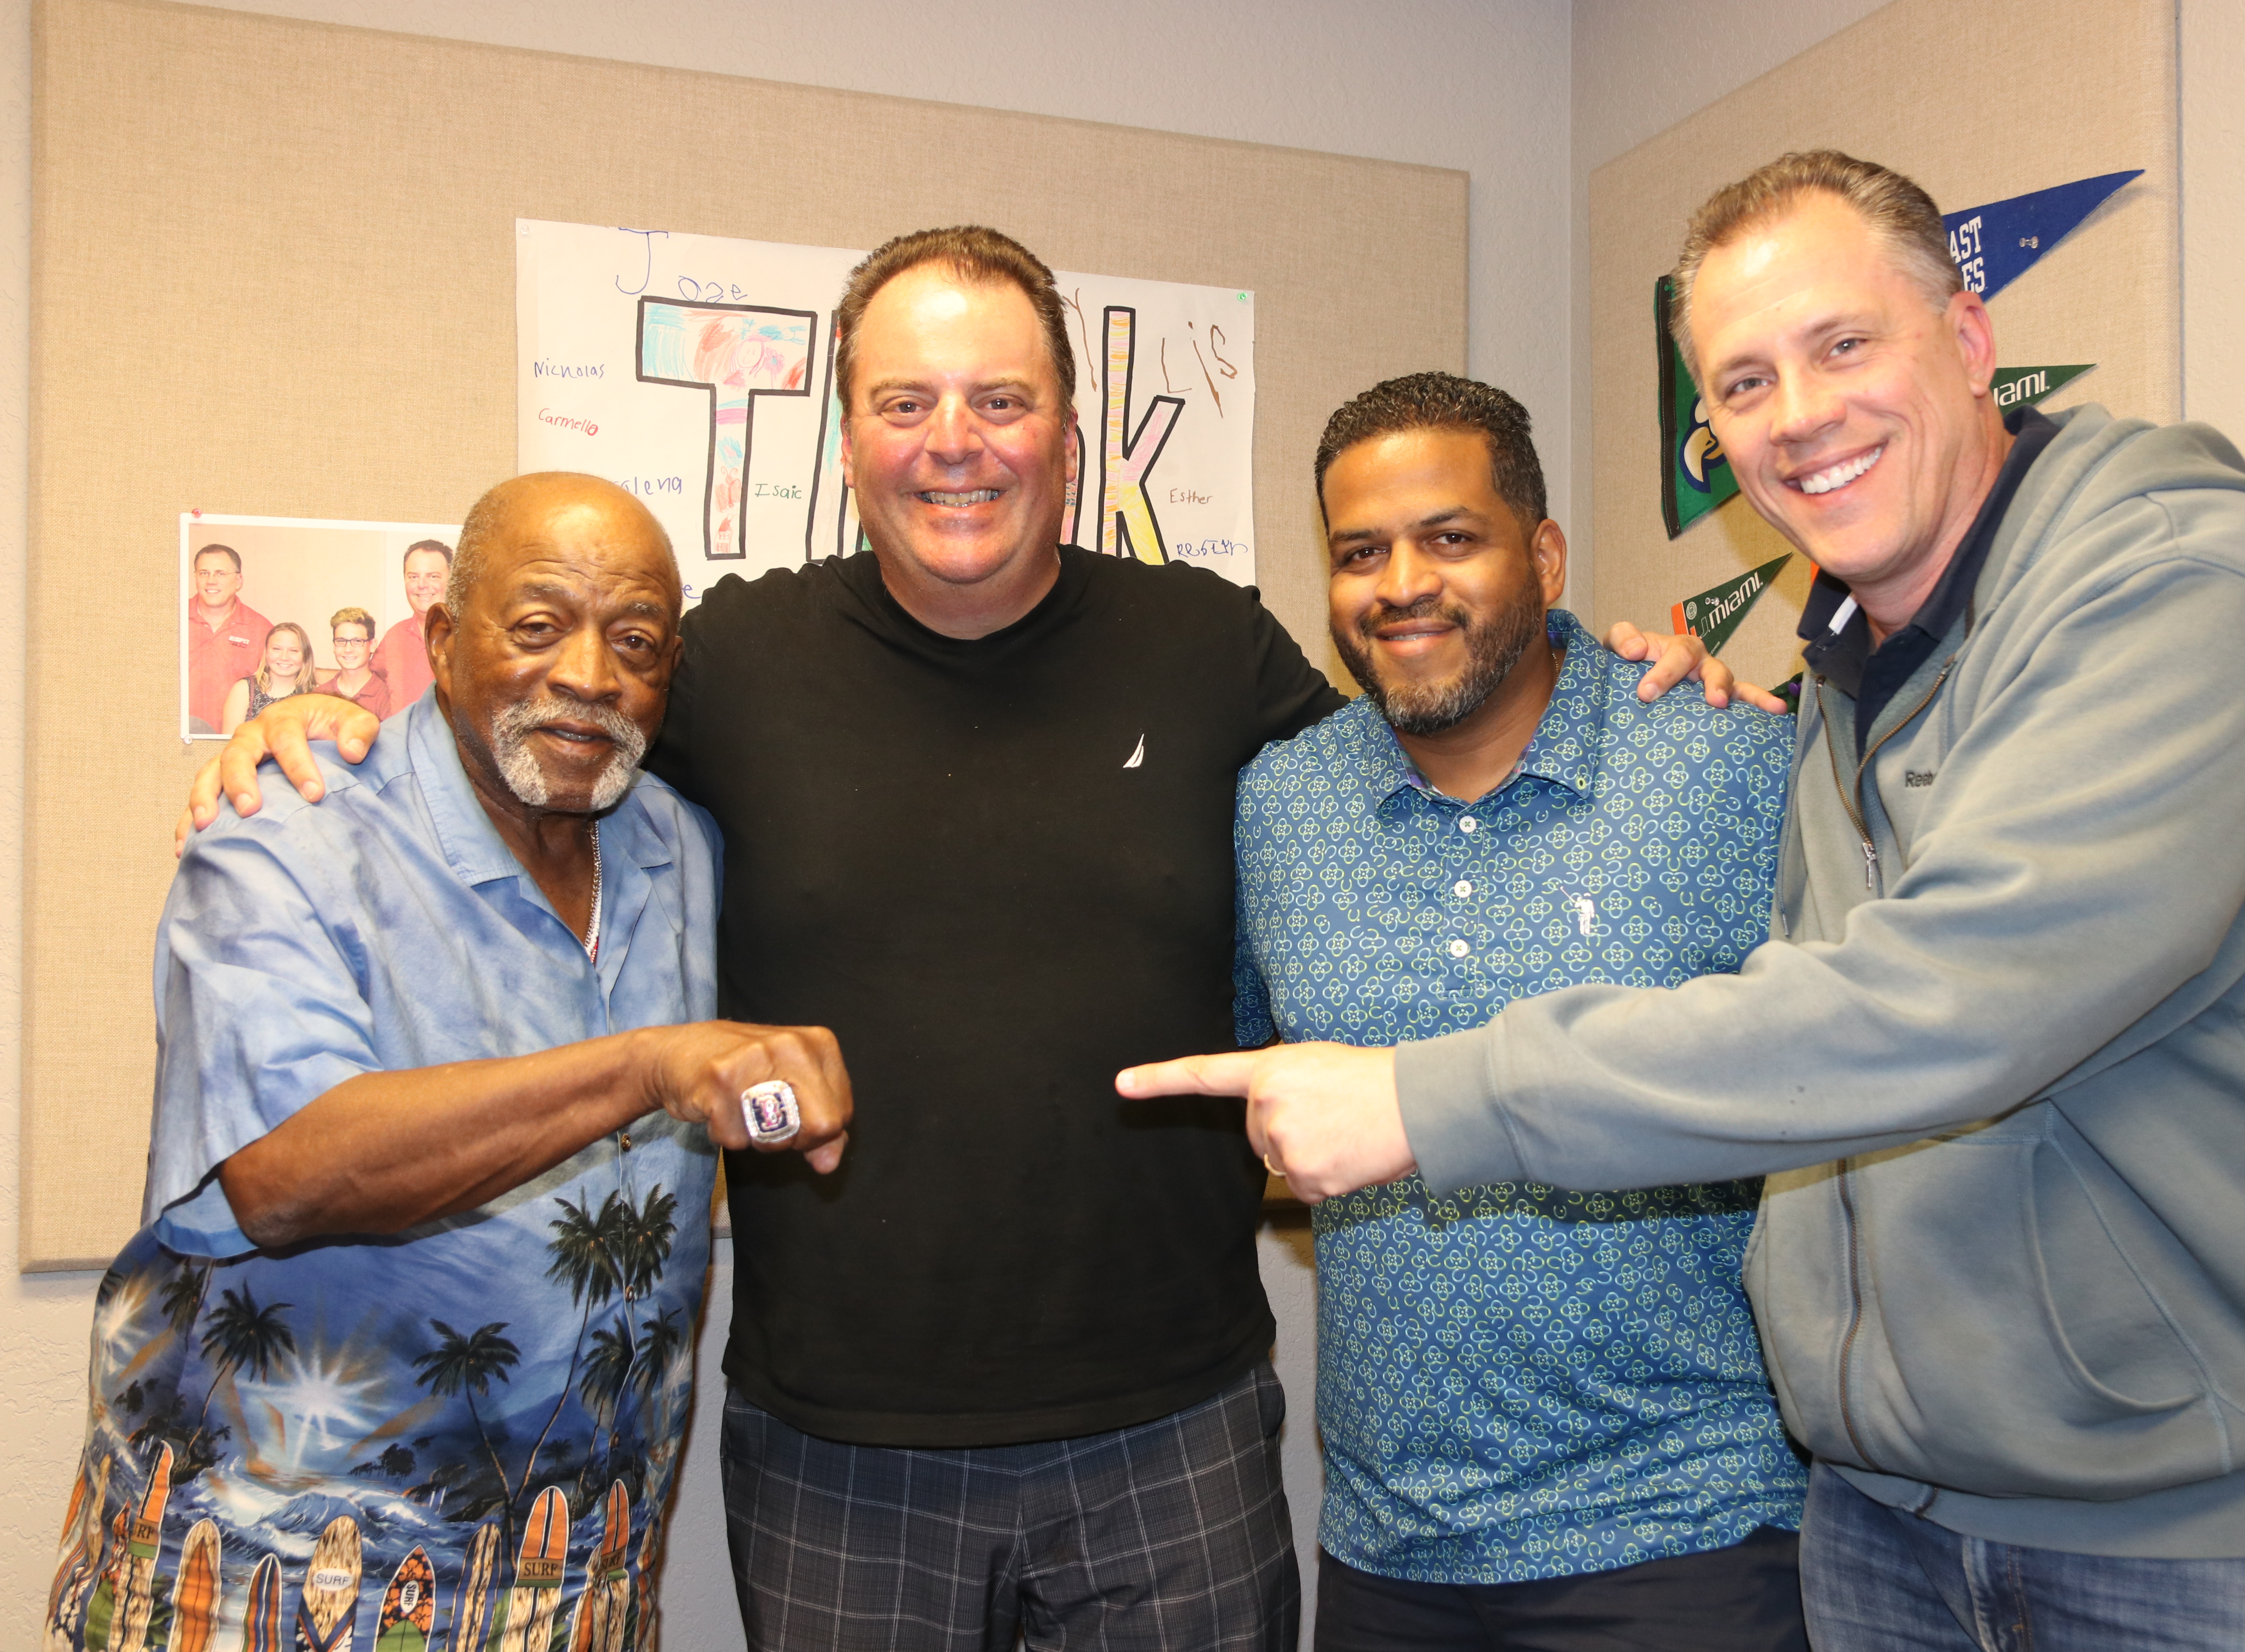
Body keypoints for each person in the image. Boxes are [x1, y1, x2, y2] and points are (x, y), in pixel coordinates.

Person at [187, 226, 1739, 1652]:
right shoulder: (732, 661)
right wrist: (343, 722)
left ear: (1066, 434)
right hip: (840, 1452)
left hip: (1174, 1427)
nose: (954, 442)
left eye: (998, 398)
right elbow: (544, 714)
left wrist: (1615, 658)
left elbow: (1433, 732)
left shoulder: (1206, 646)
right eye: (906, 399)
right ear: (849, 433)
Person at [1121, 152, 2245, 1649]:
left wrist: (1428, 1094)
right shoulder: (1833, 698)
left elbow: (1949, 999)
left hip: (2227, 1535)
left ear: (1965, 340)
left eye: (1843, 344)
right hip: (1889, 1520)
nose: (1800, 414)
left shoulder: (2176, 587)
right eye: (1746, 381)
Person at [50, 472, 851, 1652]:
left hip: (576, 1591)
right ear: (438, 638)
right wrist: (641, 1069)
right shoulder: (289, 829)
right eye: (537, 628)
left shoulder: (679, 845)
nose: (589, 674)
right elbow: (286, 1178)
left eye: (634, 641)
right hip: (262, 1595)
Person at [1239, 373, 1808, 1651]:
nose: (1400, 584)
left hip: (1687, 1525)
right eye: (1358, 552)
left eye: (1449, 537)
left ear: (1542, 554)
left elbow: (1840, 1073)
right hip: (1388, 1549)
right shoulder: (1278, 807)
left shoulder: (1722, 757)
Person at [184, 542, 270, 732]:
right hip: (173, 737)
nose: (211, 581)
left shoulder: (261, 630)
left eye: (221, 574)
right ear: (196, 579)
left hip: (232, 743)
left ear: (239, 581)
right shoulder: (171, 619)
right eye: (204, 573)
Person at [374, 537, 452, 706]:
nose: (422, 585)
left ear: (452, 580)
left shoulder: (472, 636)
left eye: (433, 576)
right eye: (414, 577)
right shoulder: (395, 637)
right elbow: (365, 681)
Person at [218, 619, 317, 735]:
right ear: (266, 652)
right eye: (277, 649)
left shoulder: (315, 694)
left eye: (294, 651)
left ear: (305, 656)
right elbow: (229, 744)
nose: (284, 657)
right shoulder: (244, 690)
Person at [318, 604, 391, 717]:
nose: (348, 650)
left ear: (372, 646)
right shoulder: (320, 695)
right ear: (334, 646)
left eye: (357, 641)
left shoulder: (386, 696)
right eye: (341, 641)